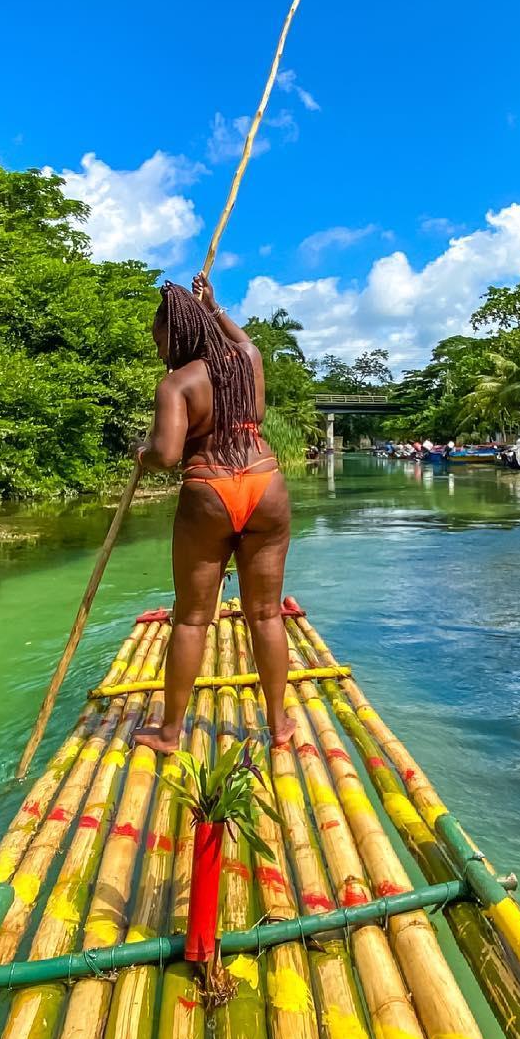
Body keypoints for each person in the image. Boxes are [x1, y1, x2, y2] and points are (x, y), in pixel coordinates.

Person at [132, 274, 296, 754]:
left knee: (190, 620)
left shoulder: (176, 383)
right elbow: (244, 342)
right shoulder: (246, 360)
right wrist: (216, 305)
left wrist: (139, 452)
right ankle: (279, 723)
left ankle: (168, 733)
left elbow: (166, 454)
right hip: (264, 482)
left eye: (160, 338)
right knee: (266, 613)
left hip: (210, 490)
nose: (160, 348)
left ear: (177, 335)